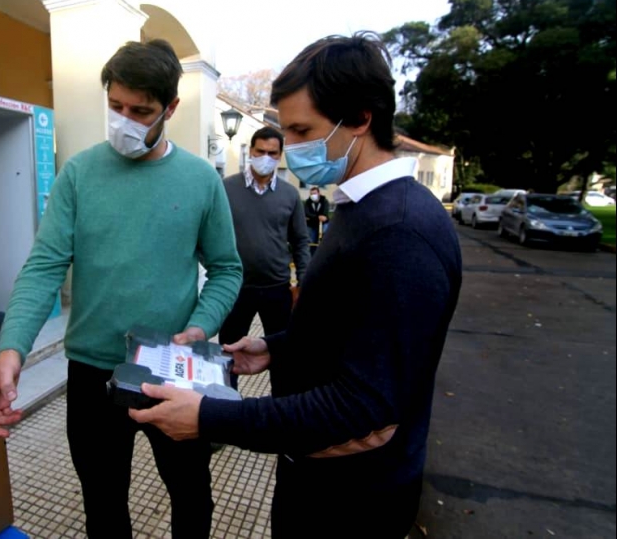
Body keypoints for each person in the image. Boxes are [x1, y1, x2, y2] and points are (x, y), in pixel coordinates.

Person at [129, 32, 463, 538]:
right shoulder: (360, 207)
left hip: (352, 501)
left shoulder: (400, 233)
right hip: (318, 476)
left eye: (304, 129)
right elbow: (350, 331)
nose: (295, 149)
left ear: (360, 118)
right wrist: (275, 348)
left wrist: (214, 417)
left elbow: (362, 404)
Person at [0, 39, 243, 539]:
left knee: (191, 493)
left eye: (141, 110)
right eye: (115, 106)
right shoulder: (80, 174)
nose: (125, 120)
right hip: (91, 374)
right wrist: (12, 349)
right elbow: (44, 265)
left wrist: (199, 327)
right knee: (103, 505)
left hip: (169, 371)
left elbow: (226, 269)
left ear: (170, 108)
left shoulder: (200, 180)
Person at [219, 126, 310, 387]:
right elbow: (209, 234)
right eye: (260, 151)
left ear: (280, 156)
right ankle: (225, 410)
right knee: (229, 355)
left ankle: (282, 412)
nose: (265, 157)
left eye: (272, 153)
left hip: (277, 288)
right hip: (236, 288)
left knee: (282, 356)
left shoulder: (290, 194)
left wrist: (304, 281)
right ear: (251, 151)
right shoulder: (226, 189)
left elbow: (301, 241)